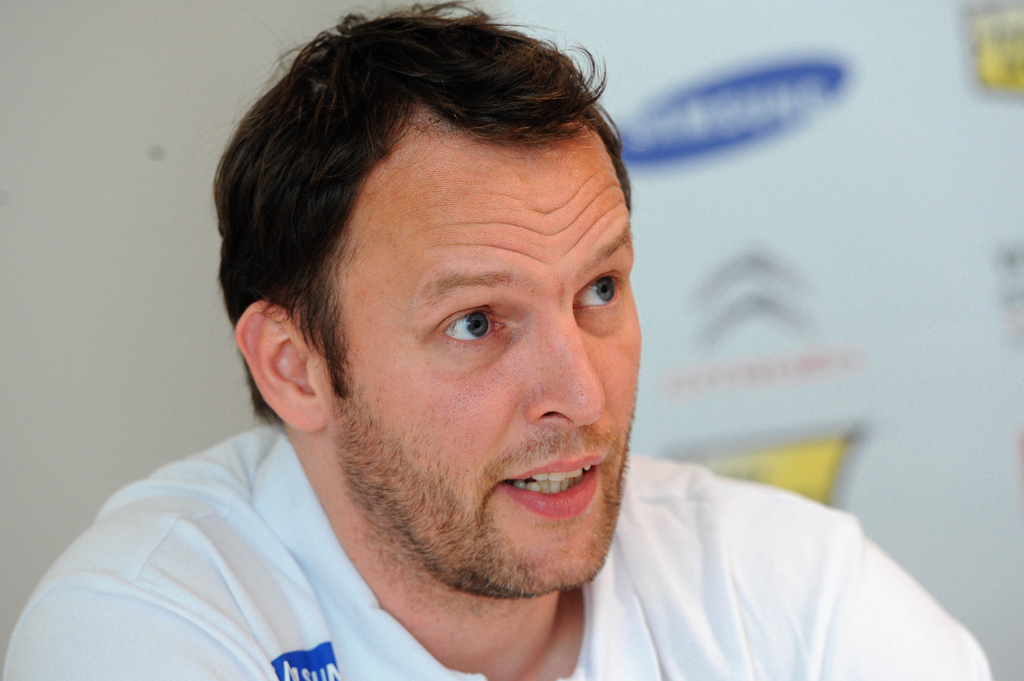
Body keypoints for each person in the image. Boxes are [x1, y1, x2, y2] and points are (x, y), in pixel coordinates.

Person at [4, 4, 991, 680]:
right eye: (476, 323)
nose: (582, 394)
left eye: (598, 290)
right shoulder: (145, 625)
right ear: (295, 367)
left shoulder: (784, 583)